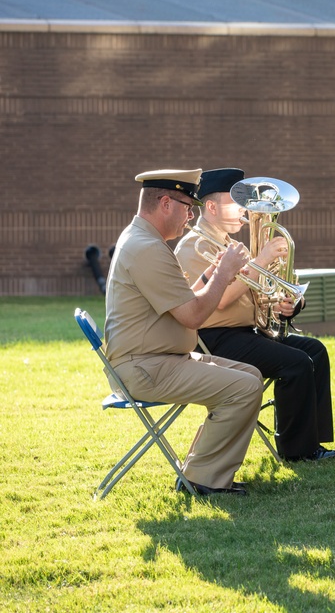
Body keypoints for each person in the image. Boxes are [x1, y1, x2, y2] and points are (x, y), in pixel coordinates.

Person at [104, 168, 264, 496]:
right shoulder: (147, 247)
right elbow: (193, 316)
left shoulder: (145, 240)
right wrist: (223, 272)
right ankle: (203, 480)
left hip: (154, 360)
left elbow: (184, 300)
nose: (190, 217)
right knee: (245, 388)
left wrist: (215, 274)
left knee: (251, 376)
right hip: (145, 367)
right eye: (187, 207)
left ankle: (200, 470)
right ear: (165, 203)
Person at [174, 168, 335, 462]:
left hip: (245, 332)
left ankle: (313, 440)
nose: (246, 210)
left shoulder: (231, 245)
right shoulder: (193, 246)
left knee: (315, 351)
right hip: (215, 340)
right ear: (211, 207)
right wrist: (261, 259)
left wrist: (282, 305)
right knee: (296, 363)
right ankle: (297, 451)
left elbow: (253, 294)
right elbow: (220, 300)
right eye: (236, 202)